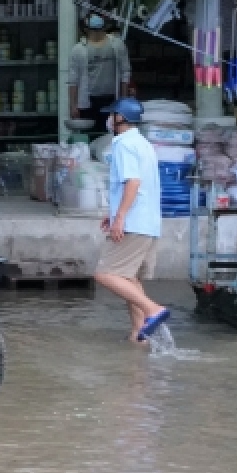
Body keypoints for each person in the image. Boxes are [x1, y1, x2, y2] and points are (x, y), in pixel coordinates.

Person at [94, 98, 170, 343]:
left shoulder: (124, 145)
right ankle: (139, 335)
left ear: (120, 118)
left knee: (105, 274)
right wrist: (115, 211)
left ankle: (153, 310)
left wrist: (120, 217)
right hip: (148, 223)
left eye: (112, 114)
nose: (109, 119)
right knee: (128, 278)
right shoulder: (143, 143)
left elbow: (133, 182)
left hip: (134, 222)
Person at [67, 14, 131, 134]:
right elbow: (73, 79)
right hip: (87, 102)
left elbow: (125, 73)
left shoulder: (117, 45)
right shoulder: (78, 50)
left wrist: (123, 101)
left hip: (112, 99)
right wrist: (73, 105)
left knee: (111, 135)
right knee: (90, 135)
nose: (96, 32)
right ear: (86, 29)